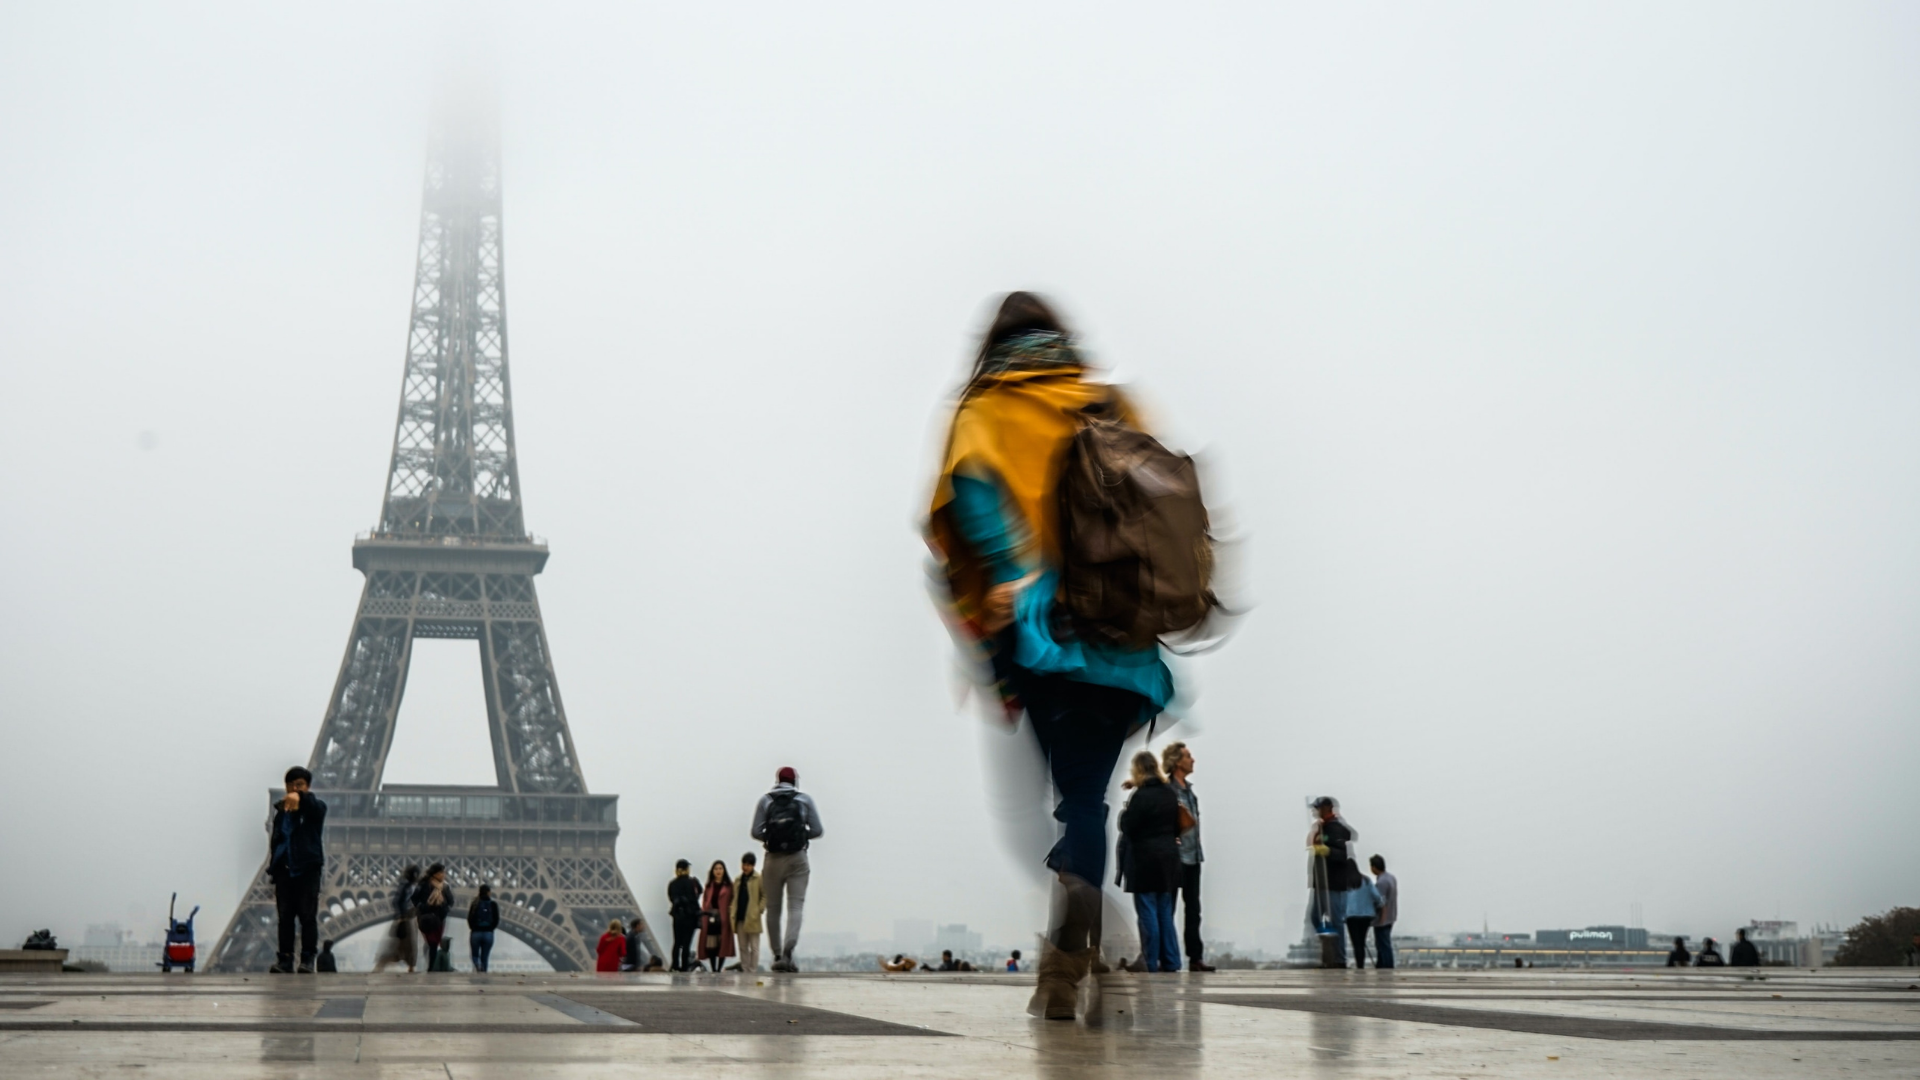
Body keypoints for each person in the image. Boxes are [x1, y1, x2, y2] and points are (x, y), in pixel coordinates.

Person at [925, 293, 1176, 1018]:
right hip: (1125, 642)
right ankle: (1081, 950)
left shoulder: (986, 410)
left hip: (1042, 641)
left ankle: (1069, 959)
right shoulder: (1109, 402)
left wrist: (1009, 581)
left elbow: (962, 512)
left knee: (1040, 811)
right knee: (1085, 805)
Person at [751, 766, 825, 972]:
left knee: (773, 909)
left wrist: (772, 837)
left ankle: (776, 955)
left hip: (772, 859)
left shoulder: (765, 801)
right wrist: (801, 834)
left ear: (777, 780)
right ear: (795, 781)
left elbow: (755, 831)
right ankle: (787, 952)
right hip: (797, 858)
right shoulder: (805, 800)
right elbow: (818, 830)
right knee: (795, 907)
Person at [1117, 750, 1183, 973]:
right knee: (1165, 912)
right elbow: (1176, 826)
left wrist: (1124, 812)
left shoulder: (1141, 796)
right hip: (1169, 860)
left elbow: (1128, 826)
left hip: (1145, 860)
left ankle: (1149, 959)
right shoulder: (1169, 793)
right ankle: (1172, 961)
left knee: (1147, 911)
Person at [266, 766, 328, 973]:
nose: (294, 788)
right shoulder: (280, 814)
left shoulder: (315, 808)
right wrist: (274, 869)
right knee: (285, 918)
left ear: (308, 787)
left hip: (307, 870)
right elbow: (277, 841)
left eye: (299, 785)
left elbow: (316, 809)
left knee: (307, 917)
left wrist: (300, 797)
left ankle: (308, 959)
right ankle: (285, 959)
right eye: (291, 785)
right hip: (285, 870)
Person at [1160, 741, 1214, 973]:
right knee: (1168, 907)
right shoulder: (1168, 791)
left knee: (1193, 909)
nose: (1192, 760)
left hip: (1194, 857)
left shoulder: (1190, 792)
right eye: (1188, 756)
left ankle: (1195, 957)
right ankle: (1167, 957)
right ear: (1176, 761)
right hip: (1175, 857)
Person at [1307, 797, 1363, 968]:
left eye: (1317, 807)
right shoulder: (1321, 827)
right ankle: (1328, 955)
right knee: (1316, 917)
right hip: (1320, 884)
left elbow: (1342, 855)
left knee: (1337, 920)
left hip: (1334, 884)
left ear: (1326, 808)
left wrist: (1328, 851)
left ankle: (1339, 960)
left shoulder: (1336, 828)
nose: (1314, 811)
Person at [372, 865, 422, 974]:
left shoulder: (414, 886)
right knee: (398, 944)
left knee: (408, 944)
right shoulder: (406, 885)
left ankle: (410, 966)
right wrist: (400, 915)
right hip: (405, 918)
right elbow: (397, 901)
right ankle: (382, 964)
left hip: (410, 917)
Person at [413, 864, 455, 972]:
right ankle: (431, 966)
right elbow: (414, 899)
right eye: (441, 872)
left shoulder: (445, 886)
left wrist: (444, 909)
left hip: (438, 918)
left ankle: (431, 966)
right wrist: (423, 906)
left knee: (434, 942)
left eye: (443, 872)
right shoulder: (423, 885)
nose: (443, 875)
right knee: (432, 942)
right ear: (434, 874)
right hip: (426, 917)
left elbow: (451, 901)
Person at [697, 860, 736, 973]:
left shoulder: (729, 886)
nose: (718, 871)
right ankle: (714, 968)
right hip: (710, 917)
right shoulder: (709, 886)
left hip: (723, 917)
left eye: (720, 869)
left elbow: (733, 899)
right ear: (712, 871)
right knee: (711, 944)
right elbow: (705, 901)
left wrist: (730, 910)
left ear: (724, 871)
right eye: (716, 869)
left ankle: (719, 968)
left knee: (722, 943)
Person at [732, 853, 766, 973]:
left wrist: (759, 910)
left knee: (754, 947)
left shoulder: (759, 878)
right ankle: (745, 969)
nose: (745, 867)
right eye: (744, 864)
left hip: (753, 918)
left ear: (753, 865)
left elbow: (765, 895)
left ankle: (752, 970)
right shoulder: (737, 880)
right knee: (742, 947)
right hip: (740, 917)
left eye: (748, 865)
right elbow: (734, 898)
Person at [668, 860, 700, 972]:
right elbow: (697, 894)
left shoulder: (672, 884)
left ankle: (675, 965)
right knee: (686, 943)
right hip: (690, 916)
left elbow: (671, 898)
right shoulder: (692, 882)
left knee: (677, 942)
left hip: (677, 916)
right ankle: (684, 966)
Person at [1345, 873, 1382, 968]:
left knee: (1356, 943)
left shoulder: (1345, 882)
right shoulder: (1366, 880)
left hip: (1351, 916)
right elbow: (1377, 896)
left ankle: (1359, 965)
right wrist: (1378, 905)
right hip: (1366, 916)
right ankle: (1361, 965)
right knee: (1362, 941)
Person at [1369, 855, 1398, 969]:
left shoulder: (1381, 882)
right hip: (1391, 915)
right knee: (1383, 943)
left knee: (1383, 944)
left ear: (1374, 867)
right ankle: (1382, 965)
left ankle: (1385, 966)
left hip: (1383, 918)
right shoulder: (1391, 878)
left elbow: (1381, 902)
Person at [467, 884, 500, 973]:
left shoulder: (475, 904)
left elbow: (470, 918)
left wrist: (473, 928)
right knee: (485, 957)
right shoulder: (493, 904)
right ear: (489, 893)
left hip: (476, 933)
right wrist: (490, 929)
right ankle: (483, 974)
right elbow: (496, 919)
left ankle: (477, 965)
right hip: (488, 933)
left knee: (475, 955)